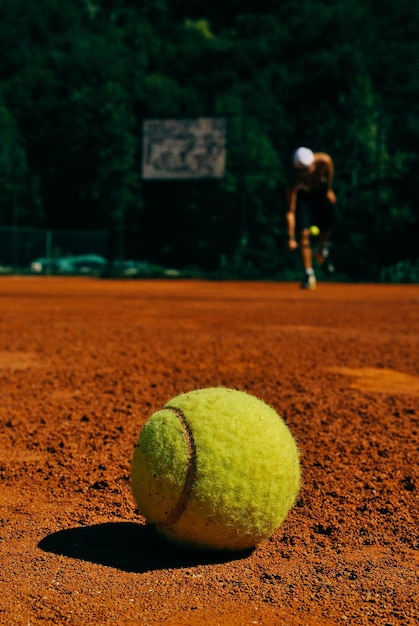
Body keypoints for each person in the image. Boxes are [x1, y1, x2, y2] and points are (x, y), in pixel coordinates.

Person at [286, 147, 337, 289]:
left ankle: (322, 247)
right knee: (303, 234)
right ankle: (308, 273)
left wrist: (329, 189)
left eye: (305, 169)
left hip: (321, 194)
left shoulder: (323, 161)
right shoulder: (293, 181)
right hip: (305, 199)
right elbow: (290, 211)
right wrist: (290, 237)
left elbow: (330, 169)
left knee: (327, 227)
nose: (303, 174)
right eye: (300, 171)